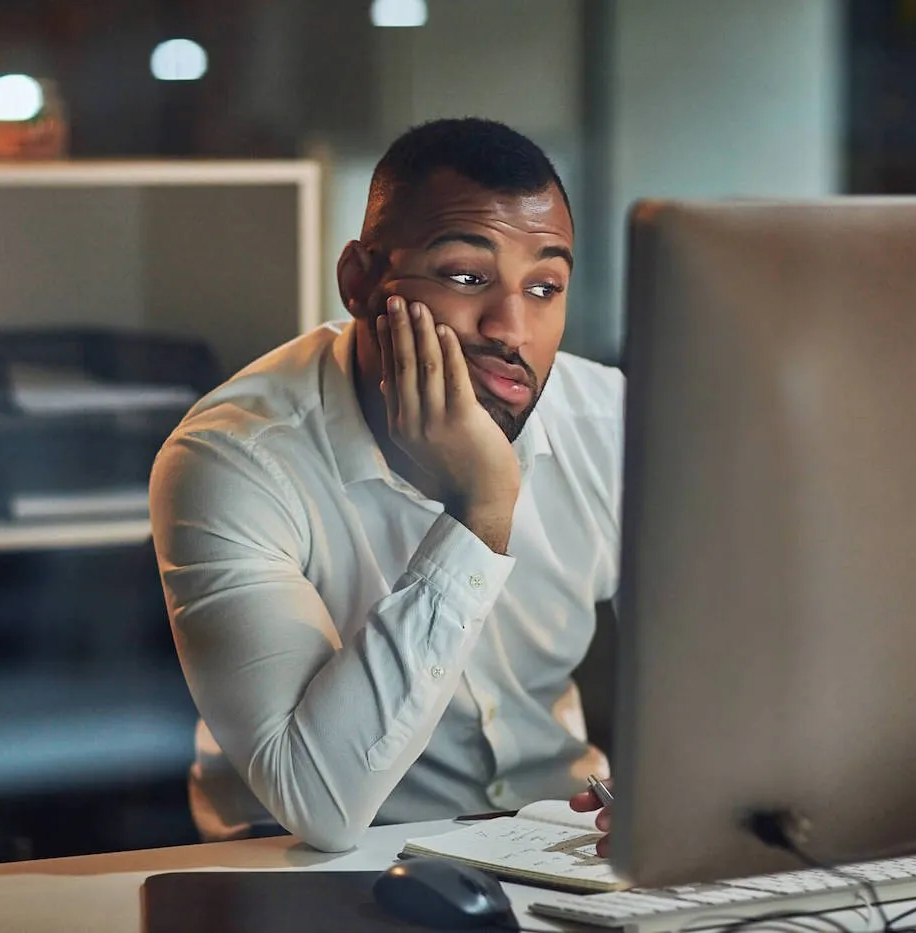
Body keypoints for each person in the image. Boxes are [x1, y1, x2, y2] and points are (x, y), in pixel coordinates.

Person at [149, 117, 623, 853]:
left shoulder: (609, 422)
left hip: (556, 844)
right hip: (301, 867)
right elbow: (320, 803)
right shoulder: (232, 456)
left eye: (545, 286)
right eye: (467, 276)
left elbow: (730, 662)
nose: (512, 327)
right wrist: (482, 508)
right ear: (360, 282)